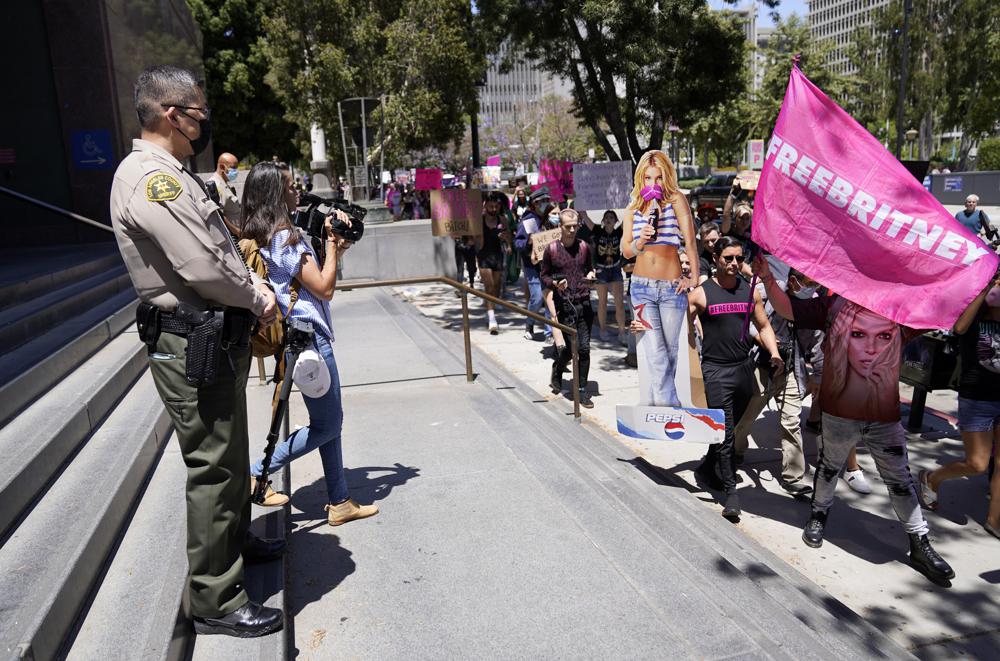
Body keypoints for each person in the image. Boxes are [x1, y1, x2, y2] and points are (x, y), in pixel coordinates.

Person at [110, 65, 283, 637]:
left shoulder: (172, 173)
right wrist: (256, 296)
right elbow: (201, 265)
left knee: (229, 454)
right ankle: (214, 597)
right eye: (198, 113)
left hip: (207, 334)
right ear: (170, 113)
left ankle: (231, 546)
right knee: (213, 464)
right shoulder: (149, 178)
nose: (203, 123)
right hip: (191, 337)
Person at [753, 255, 955, 583]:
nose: (870, 347)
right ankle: (818, 517)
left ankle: (920, 542)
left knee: (899, 481)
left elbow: (941, 310)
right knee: (830, 468)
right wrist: (768, 279)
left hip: (884, 418)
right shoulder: (833, 306)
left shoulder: (898, 310)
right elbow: (791, 310)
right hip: (838, 413)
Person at [239, 160, 380, 530]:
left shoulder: (265, 234)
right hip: (311, 340)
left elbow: (309, 280)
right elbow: (325, 289)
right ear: (274, 194)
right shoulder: (286, 237)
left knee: (327, 421)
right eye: (289, 186)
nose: (296, 190)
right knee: (329, 425)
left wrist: (333, 249)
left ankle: (339, 500)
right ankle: (257, 472)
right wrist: (332, 244)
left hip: (297, 337)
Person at [689, 238, 784, 520]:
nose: (733, 264)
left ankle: (707, 467)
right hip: (715, 373)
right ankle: (731, 494)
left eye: (738, 259)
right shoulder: (700, 294)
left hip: (744, 370)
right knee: (728, 435)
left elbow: (763, 326)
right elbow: (672, 325)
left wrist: (775, 353)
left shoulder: (750, 291)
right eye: (728, 258)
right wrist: (641, 327)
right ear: (715, 257)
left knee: (725, 430)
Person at [918, 275, 1000, 541]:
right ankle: (932, 478)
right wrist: (985, 287)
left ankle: (994, 520)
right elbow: (960, 327)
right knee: (977, 464)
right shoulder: (976, 317)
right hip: (977, 400)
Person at [621, 149, 699, 407]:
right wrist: (640, 241)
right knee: (655, 353)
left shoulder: (675, 199)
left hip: (671, 287)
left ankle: (660, 403)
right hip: (641, 287)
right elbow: (626, 250)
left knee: (671, 352)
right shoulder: (633, 206)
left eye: (658, 177)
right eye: (647, 178)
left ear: (666, 177)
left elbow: (689, 243)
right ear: (640, 179)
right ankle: (671, 406)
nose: (653, 183)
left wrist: (694, 278)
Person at [733, 266, 815, 497]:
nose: (810, 289)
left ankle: (793, 476)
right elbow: (746, 319)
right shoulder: (766, 289)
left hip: (790, 367)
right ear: (793, 280)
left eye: (814, 285)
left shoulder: (813, 302)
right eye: (806, 283)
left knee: (791, 420)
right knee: (747, 416)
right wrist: (764, 340)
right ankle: (736, 450)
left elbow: (816, 339)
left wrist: (816, 374)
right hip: (762, 363)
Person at [541, 209, 596, 408]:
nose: (572, 230)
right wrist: (555, 283)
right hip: (564, 304)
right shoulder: (552, 249)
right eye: (568, 227)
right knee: (568, 349)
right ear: (560, 226)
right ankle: (558, 367)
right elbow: (544, 276)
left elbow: (590, 268)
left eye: (575, 226)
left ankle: (582, 390)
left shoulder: (584, 247)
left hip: (584, 303)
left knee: (584, 348)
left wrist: (591, 276)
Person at [514, 187, 556, 341]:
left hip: (547, 266)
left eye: (547, 200)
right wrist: (528, 241)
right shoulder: (528, 220)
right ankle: (529, 323)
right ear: (535, 203)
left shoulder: (548, 219)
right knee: (537, 297)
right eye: (542, 201)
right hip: (532, 266)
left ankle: (549, 332)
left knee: (548, 297)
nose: (546, 203)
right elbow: (517, 243)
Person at [585, 209, 627, 344]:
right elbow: (584, 216)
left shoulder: (619, 232)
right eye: (606, 217)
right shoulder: (597, 231)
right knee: (602, 302)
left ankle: (621, 332)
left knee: (619, 302)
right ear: (603, 221)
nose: (609, 219)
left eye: (611, 217)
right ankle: (603, 329)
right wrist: (578, 201)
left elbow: (630, 216)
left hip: (615, 269)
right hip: (601, 270)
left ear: (615, 221)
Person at [477, 192, 511, 334]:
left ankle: (490, 306)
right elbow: (473, 239)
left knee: (496, 287)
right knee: (489, 285)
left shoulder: (502, 219)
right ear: (485, 206)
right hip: (483, 255)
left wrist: (507, 242)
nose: (493, 209)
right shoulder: (479, 220)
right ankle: (492, 318)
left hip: (497, 255)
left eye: (495, 207)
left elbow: (509, 236)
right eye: (490, 206)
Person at [208, 152, 241, 236]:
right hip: (231, 236)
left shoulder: (224, 183)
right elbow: (219, 214)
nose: (236, 171)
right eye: (233, 167)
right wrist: (237, 231)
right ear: (222, 167)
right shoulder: (216, 185)